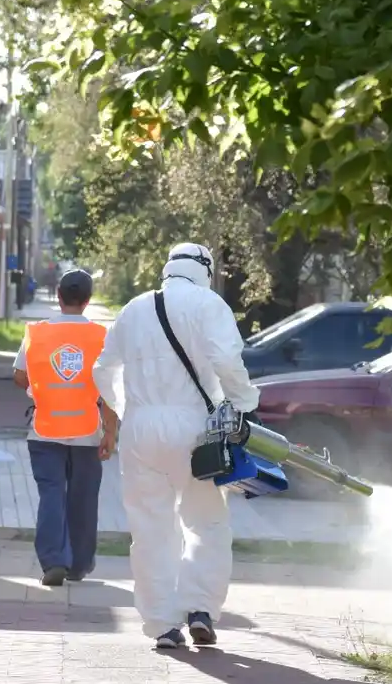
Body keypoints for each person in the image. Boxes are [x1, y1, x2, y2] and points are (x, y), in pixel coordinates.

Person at [92, 243, 258, 650]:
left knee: (150, 530)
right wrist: (242, 404)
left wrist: (128, 407)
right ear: (205, 269)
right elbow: (226, 359)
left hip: (141, 428)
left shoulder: (133, 309)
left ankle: (163, 625)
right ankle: (200, 608)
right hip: (195, 427)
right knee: (206, 523)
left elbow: (103, 368)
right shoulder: (208, 303)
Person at [14, 269, 117, 587]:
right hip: (87, 432)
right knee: (84, 498)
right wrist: (110, 433)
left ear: (58, 296)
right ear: (87, 301)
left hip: (44, 430)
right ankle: (79, 564)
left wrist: (47, 382)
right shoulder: (102, 337)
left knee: (51, 494)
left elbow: (20, 376)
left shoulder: (37, 333)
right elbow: (111, 389)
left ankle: (53, 561)